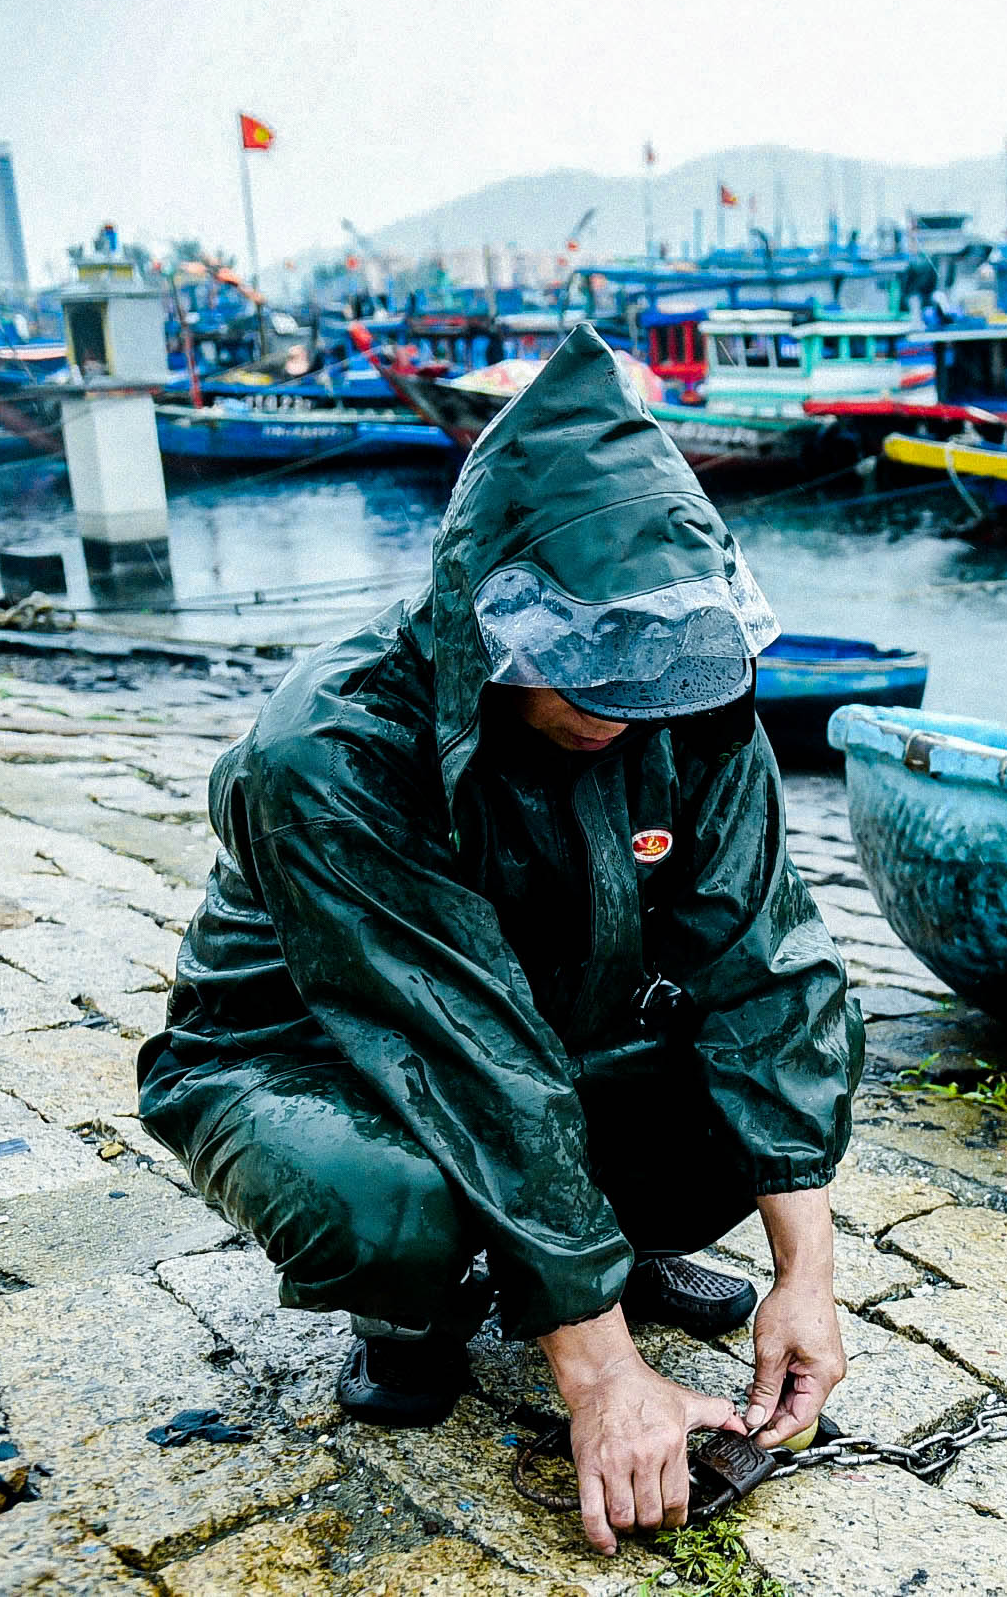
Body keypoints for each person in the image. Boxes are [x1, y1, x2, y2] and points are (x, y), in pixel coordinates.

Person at [139, 327, 861, 1553]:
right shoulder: (329, 749)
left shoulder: (685, 700)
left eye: (650, 673)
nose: (622, 706)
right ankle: (418, 1313)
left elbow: (766, 966)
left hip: (562, 1024)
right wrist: (601, 1381)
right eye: (588, 672)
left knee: (758, 1098)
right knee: (398, 1205)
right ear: (496, 624)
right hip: (312, 1048)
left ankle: (607, 1257)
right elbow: (456, 1044)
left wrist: (809, 1276)